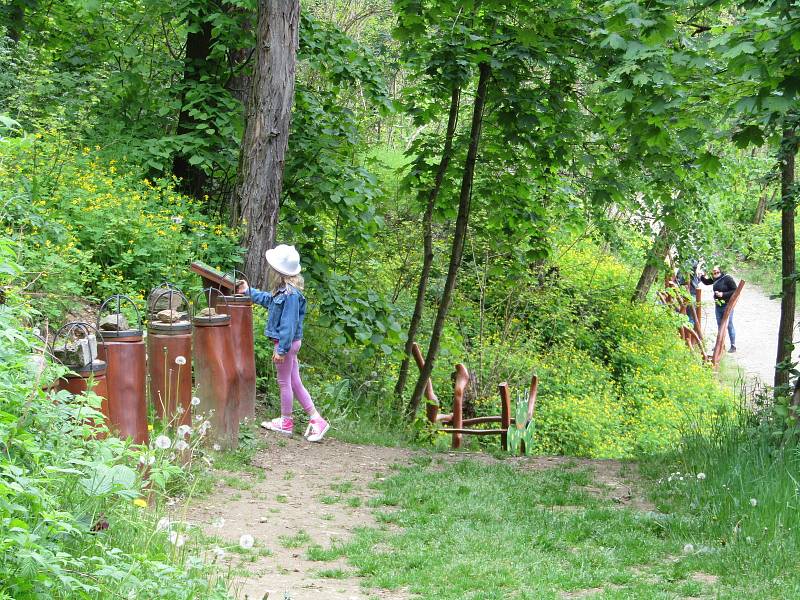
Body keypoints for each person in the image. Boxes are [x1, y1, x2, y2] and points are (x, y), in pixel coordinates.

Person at [237, 244, 330, 442]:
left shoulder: (290, 295)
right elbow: (267, 300)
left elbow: (288, 324)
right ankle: (316, 419)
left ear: (279, 271)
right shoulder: (282, 292)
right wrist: (248, 291)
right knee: (295, 382)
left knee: (284, 383)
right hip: (288, 343)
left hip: (286, 343)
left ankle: (286, 421)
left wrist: (281, 349)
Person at [699, 265, 738, 352]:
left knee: (729, 324)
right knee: (720, 325)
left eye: (717, 272)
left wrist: (723, 294)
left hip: (727, 305)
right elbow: (706, 282)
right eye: (713, 272)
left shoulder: (727, 278)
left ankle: (733, 345)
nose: (715, 274)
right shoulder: (714, 278)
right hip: (718, 305)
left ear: (721, 271)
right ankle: (721, 345)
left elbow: (735, 291)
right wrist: (701, 275)